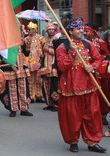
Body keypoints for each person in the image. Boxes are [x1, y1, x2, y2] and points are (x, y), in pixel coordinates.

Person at [56, 18, 106, 153]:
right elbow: (61, 66)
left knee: (93, 116)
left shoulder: (88, 44)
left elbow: (98, 58)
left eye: (81, 28)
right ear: (70, 31)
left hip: (89, 86)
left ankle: (92, 142)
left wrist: (93, 66)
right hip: (71, 88)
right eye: (78, 29)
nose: (81, 31)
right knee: (72, 117)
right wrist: (72, 52)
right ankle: (73, 141)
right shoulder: (62, 47)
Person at [84, 25, 110, 125]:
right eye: (84, 31)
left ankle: (102, 115)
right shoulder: (82, 43)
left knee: (101, 93)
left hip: (99, 72)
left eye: (87, 31)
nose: (85, 33)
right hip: (86, 71)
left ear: (93, 32)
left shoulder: (100, 43)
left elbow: (106, 54)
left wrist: (96, 59)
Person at [0, 48, 33, 117]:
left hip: (21, 68)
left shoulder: (19, 43)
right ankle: (13, 109)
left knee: (23, 89)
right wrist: (10, 64)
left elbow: (26, 52)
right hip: (9, 69)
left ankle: (24, 109)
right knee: (11, 90)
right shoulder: (5, 45)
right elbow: (1, 56)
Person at [22, 22, 46, 103]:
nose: (29, 31)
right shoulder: (26, 39)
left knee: (39, 79)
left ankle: (39, 96)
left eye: (31, 29)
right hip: (29, 61)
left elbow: (44, 47)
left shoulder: (41, 38)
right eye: (28, 29)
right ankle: (31, 96)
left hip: (39, 61)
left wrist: (43, 54)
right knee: (30, 80)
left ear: (35, 30)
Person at [38, 22, 58, 111]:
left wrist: (48, 50)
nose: (51, 31)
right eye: (49, 29)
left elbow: (58, 52)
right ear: (47, 30)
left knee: (54, 85)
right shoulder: (46, 40)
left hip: (53, 66)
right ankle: (49, 103)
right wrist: (42, 54)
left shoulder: (57, 39)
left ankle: (55, 104)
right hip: (45, 65)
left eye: (53, 29)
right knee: (46, 85)